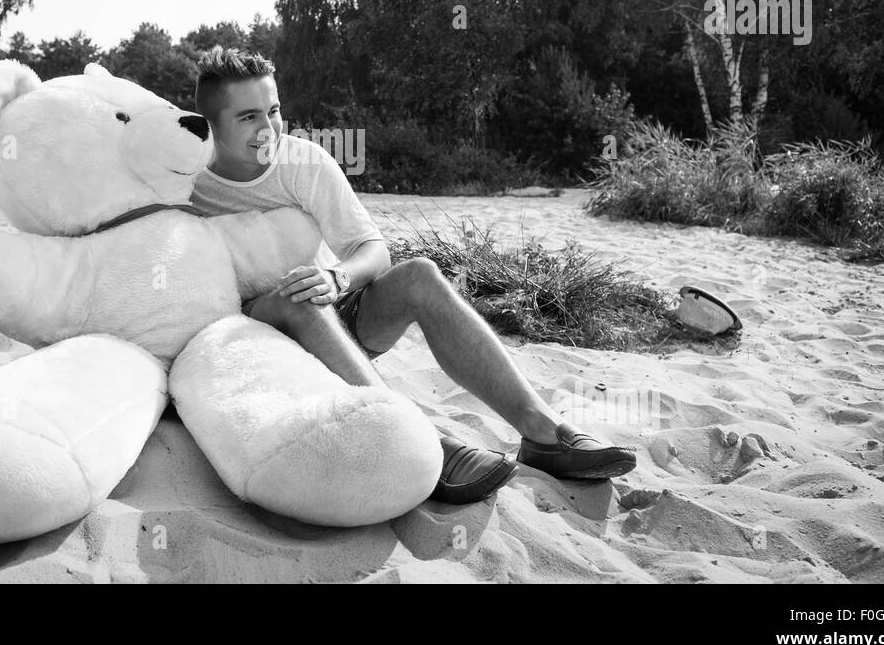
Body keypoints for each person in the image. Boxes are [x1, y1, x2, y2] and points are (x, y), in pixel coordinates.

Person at [187, 47, 636, 505]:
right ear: (210, 126)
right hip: (254, 342)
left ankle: (543, 432)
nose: (269, 128)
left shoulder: (303, 162)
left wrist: (339, 277)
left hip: (330, 317)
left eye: (275, 110)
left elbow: (373, 250)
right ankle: (423, 442)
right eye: (248, 117)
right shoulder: (184, 181)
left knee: (419, 274)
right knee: (295, 296)